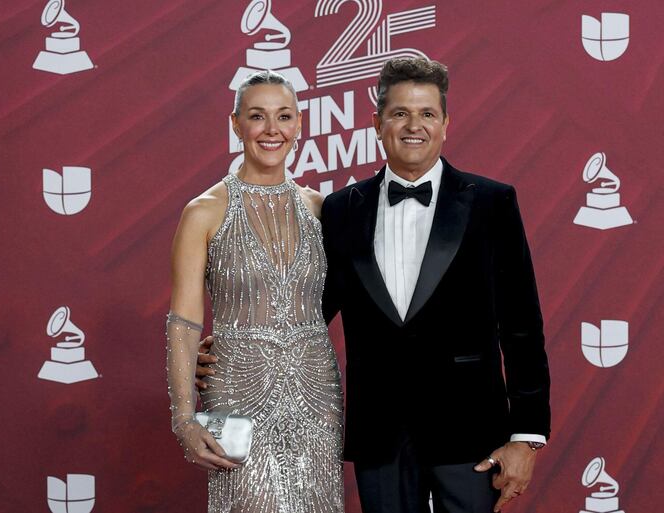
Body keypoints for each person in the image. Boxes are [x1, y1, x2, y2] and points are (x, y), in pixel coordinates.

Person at [198, 57, 551, 513]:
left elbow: (522, 325)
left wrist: (526, 437)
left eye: (427, 113)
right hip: (380, 434)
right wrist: (231, 347)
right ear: (377, 124)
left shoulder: (492, 203)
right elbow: (307, 309)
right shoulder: (343, 209)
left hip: (471, 433)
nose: (414, 126)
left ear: (445, 122)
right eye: (400, 113)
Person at [166, 69, 344, 513]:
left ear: (300, 125)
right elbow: (184, 323)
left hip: (316, 389)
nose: (272, 130)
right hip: (235, 389)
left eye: (284, 116)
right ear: (236, 124)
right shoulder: (203, 212)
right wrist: (185, 419)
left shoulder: (320, 208)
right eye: (257, 116)